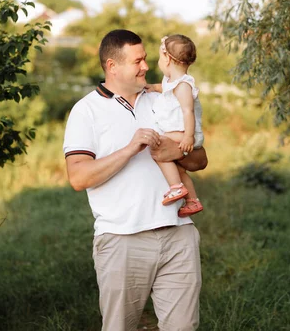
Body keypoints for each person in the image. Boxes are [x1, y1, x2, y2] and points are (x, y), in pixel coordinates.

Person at [63, 29, 208, 331]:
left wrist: (175, 152)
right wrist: (130, 149)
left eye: (145, 58)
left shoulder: (163, 97)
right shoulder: (86, 111)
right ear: (112, 66)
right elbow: (78, 177)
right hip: (122, 240)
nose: (146, 66)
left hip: (178, 235)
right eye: (137, 61)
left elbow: (199, 160)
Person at [146, 34, 204, 217]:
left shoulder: (184, 85)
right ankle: (192, 201)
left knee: (158, 149)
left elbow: (188, 111)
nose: (158, 62)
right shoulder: (173, 83)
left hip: (181, 133)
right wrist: (154, 87)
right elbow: (167, 90)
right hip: (178, 132)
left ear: (168, 59)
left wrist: (188, 136)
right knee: (179, 169)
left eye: (159, 58)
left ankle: (175, 187)